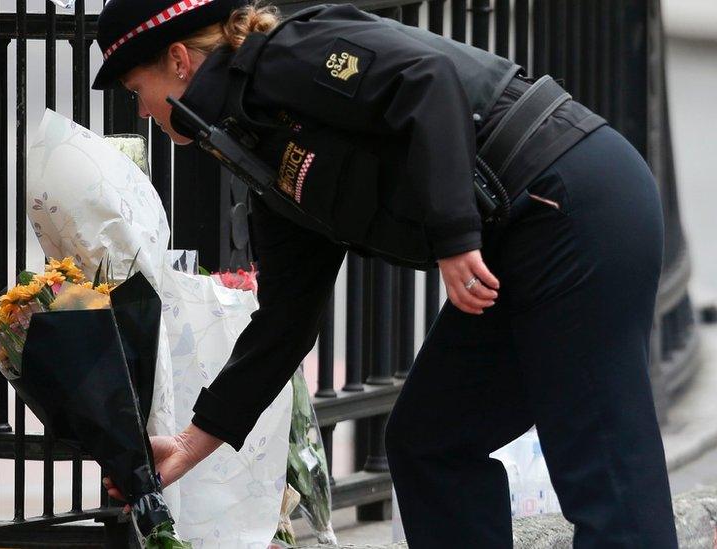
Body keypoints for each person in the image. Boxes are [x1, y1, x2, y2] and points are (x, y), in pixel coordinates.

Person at [93, 0, 679, 546]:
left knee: (601, 457)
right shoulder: (257, 144)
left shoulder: (285, 57)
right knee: (431, 441)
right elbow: (285, 323)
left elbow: (427, 81)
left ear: (178, 60)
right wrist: (194, 444)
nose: (141, 110)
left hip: (571, 203)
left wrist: (454, 236)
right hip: (516, 238)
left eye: (137, 90)